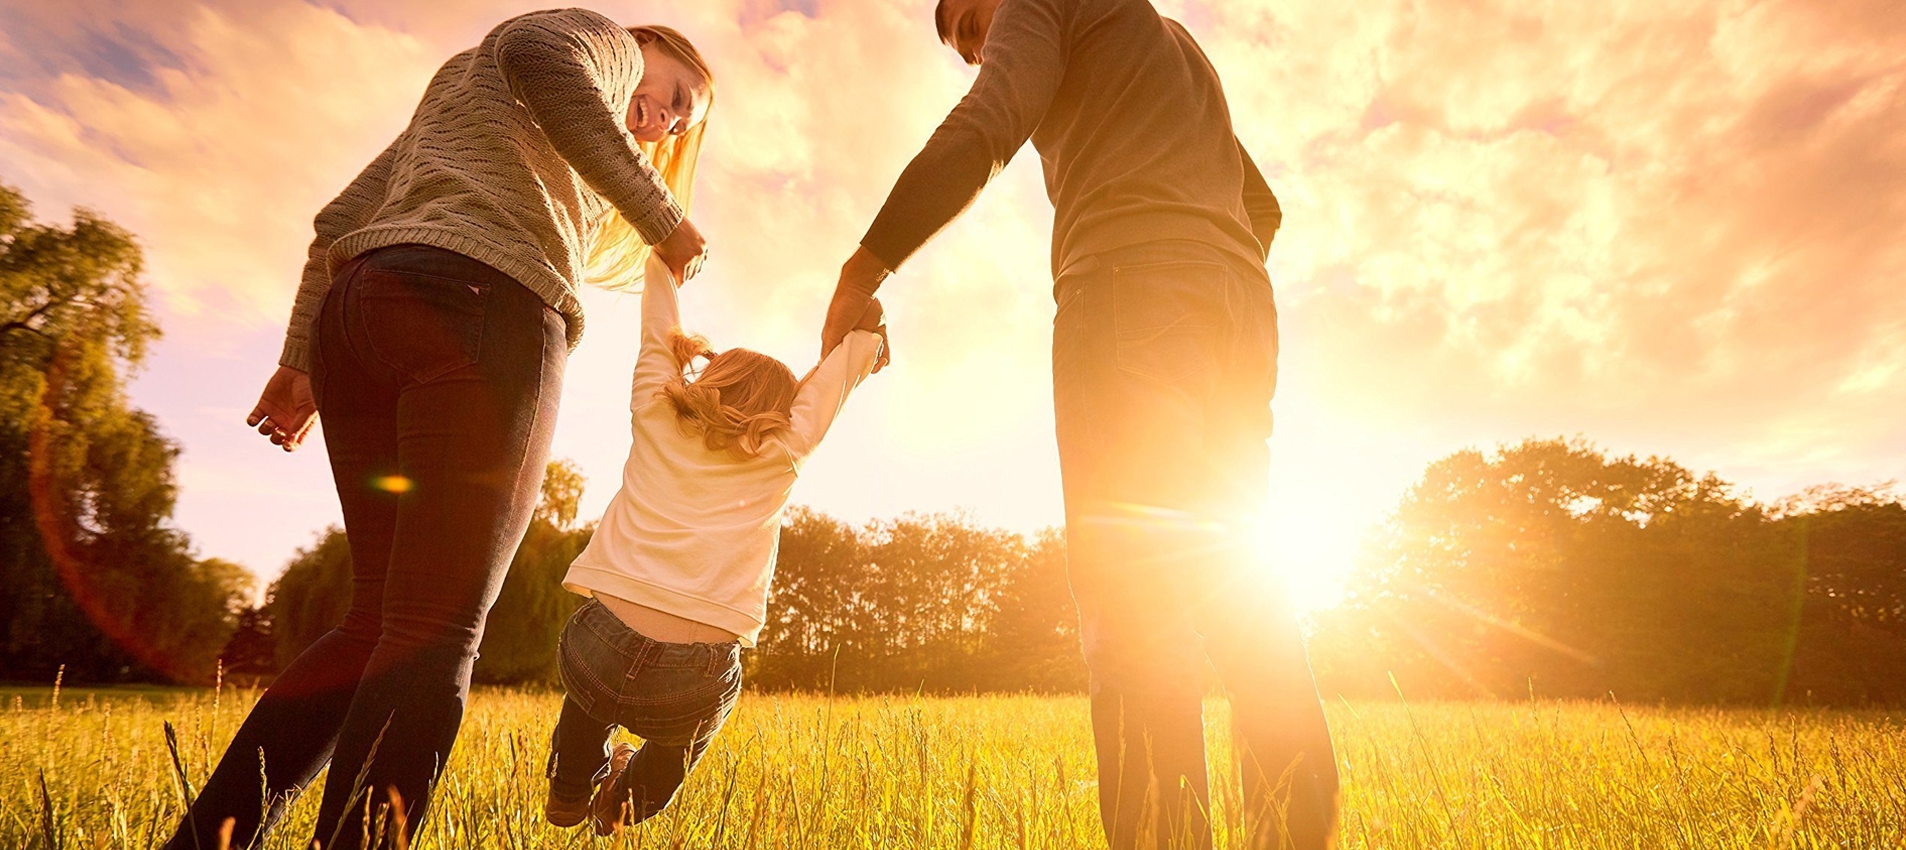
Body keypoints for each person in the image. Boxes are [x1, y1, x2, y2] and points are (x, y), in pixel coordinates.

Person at [170, 10, 715, 849]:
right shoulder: (597, 41)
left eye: (682, 122)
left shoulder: (463, 89)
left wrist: (301, 360)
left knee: (376, 623)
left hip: (361, 316)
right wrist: (660, 214)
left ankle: (205, 842)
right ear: (648, 48)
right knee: (434, 629)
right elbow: (542, 54)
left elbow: (336, 221)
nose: (668, 121)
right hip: (484, 305)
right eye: (675, 93)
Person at [818, 0, 1340, 847]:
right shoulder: (1169, 43)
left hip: (1128, 291)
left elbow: (991, 122)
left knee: (1133, 599)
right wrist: (1202, 273)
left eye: (974, 24)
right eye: (961, 45)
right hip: (1242, 313)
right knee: (1243, 594)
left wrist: (862, 266)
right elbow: (1263, 206)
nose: (975, 48)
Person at [543, 257, 886, 833]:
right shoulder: (785, 449)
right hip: (694, 671)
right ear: (783, 411)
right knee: (684, 739)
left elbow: (657, 328)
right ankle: (625, 805)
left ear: (710, 378)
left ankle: (571, 789)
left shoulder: (655, 409)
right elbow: (841, 372)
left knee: (589, 699)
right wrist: (867, 336)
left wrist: (663, 262)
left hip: (598, 643)